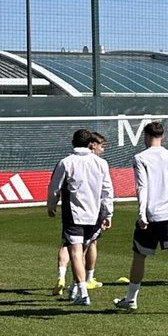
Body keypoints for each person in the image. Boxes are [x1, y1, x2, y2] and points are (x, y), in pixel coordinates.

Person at [114, 121, 168, 313]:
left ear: (146, 136)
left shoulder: (140, 157)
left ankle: (131, 299)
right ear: (162, 137)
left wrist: (141, 214)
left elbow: (142, 187)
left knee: (139, 256)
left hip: (151, 214)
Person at [46, 127, 114, 307]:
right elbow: (108, 191)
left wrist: (51, 206)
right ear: (90, 143)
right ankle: (76, 289)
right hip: (95, 215)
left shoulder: (66, 162)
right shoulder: (101, 163)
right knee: (82, 251)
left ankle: (82, 292)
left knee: (75, 253)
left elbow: (54, 188)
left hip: (74, 215)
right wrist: (108, 213)